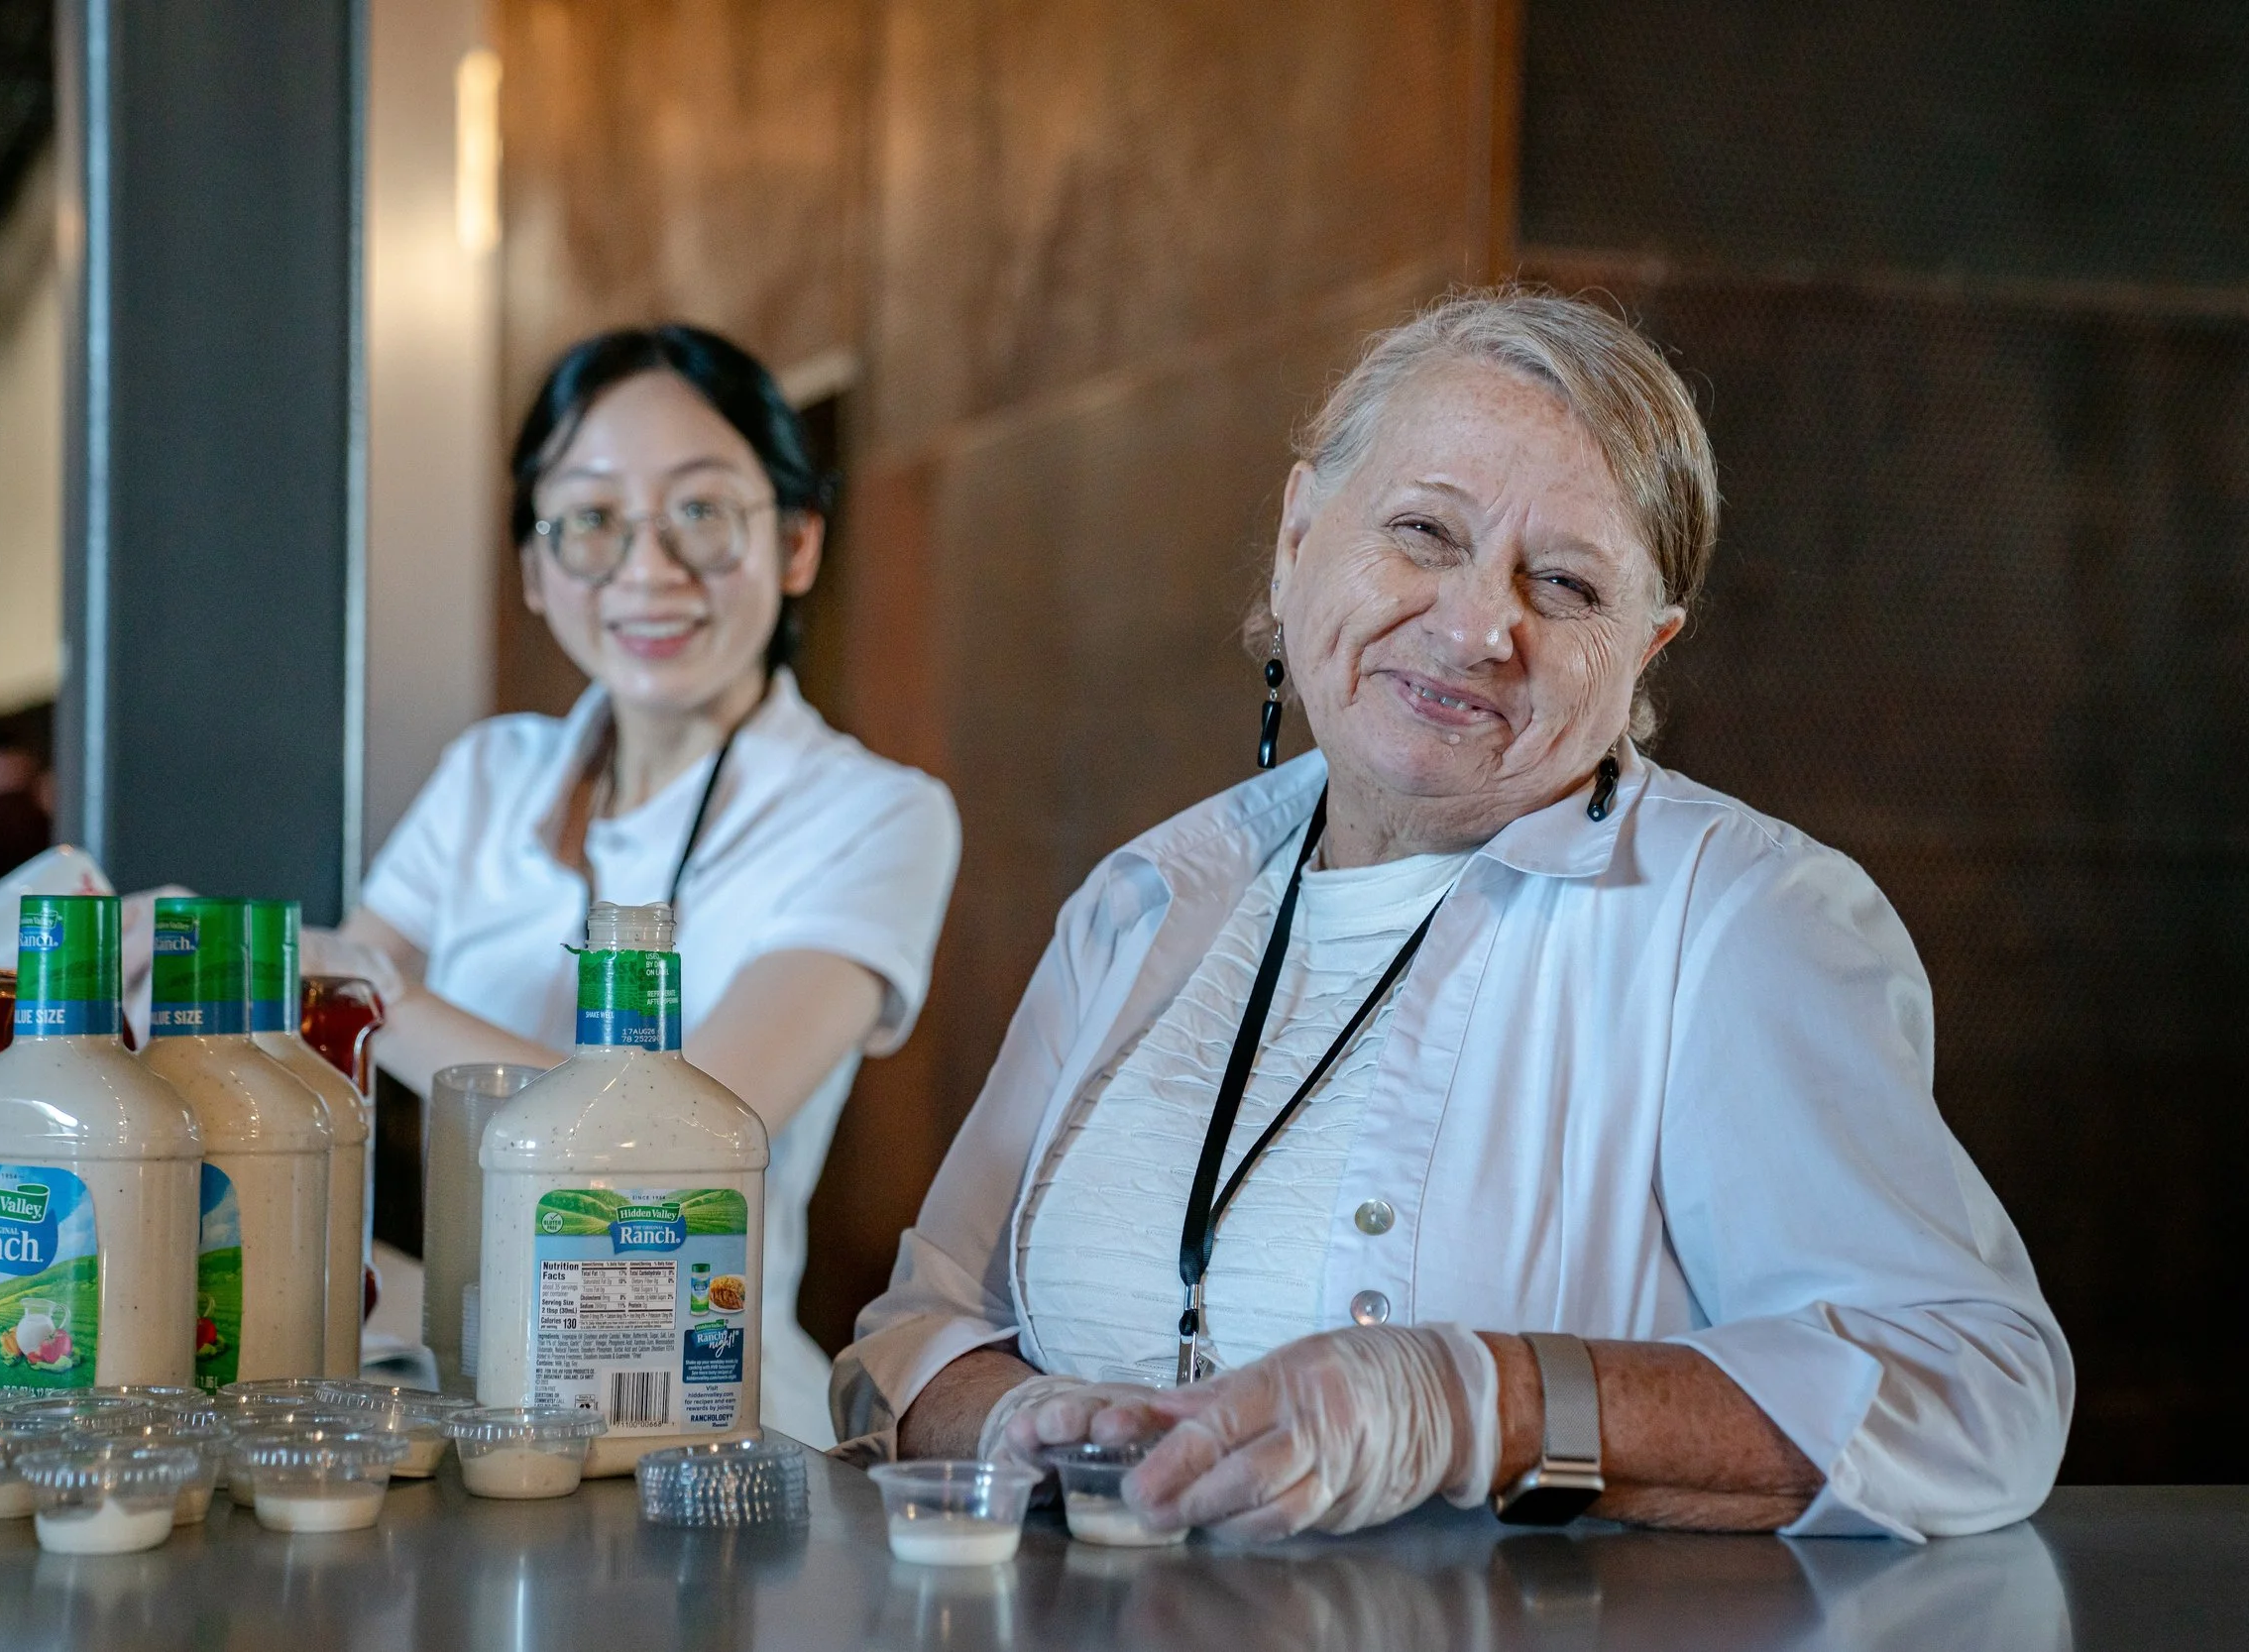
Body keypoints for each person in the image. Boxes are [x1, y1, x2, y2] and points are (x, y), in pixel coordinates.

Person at [832, 290, 2069, 1540]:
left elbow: (1973, 1391)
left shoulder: (1736, 918)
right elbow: (921, 1328)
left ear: (1646, 648)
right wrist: (1013, 1419)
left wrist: (1482, 1403)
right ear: (1298, 533)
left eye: (1567, 583)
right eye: (1424, 531)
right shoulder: (1143, 900)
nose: (1480, 625)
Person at [329, 325, 959, 1447]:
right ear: (534, 566)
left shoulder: (873, 813)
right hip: (455, 1388)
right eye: (591, 520)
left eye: (703, 513)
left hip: (705, 1419)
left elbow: (681, 1155)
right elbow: (312, 1050)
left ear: (799, 541)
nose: (648, 570)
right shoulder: (490, 773)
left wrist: (357, 985)